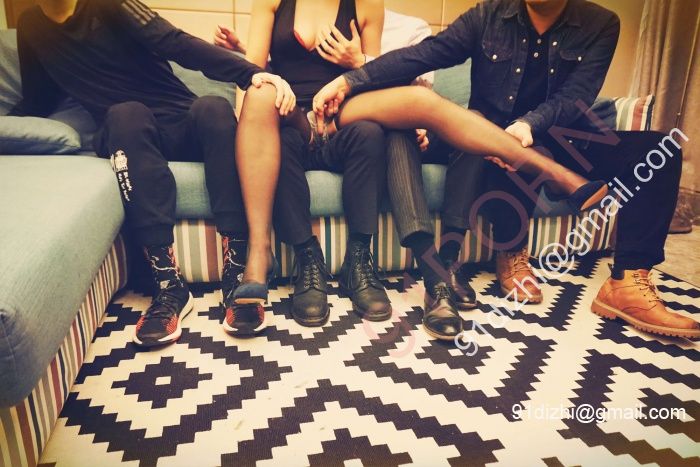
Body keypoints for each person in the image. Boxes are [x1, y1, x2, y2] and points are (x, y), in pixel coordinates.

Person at [312, 0, 700, 339]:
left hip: (565, 135)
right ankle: (508, 254)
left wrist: (530, 124)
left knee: (660, 149)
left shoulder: (601, 23)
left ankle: (629, 281)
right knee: (495, 140)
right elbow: (424, 54)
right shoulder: (489, 15)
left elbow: (577, 96)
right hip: (494, 138)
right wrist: (351, 79)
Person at [10, 0, 295, 347]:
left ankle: (236, 273)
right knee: (125, 114)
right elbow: (38, 98)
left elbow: (173, 41)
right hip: (129, 133)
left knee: (214, 107)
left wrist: (248, 73)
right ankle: (168, 286)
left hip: (180, 119)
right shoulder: (31, 26)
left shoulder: (109, 4)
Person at [223, 0, 392, 333]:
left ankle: (359, 260)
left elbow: (375, 81)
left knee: (371, 133)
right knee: (280, 141)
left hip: (341, 119)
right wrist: (247, 127)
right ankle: (308, 259)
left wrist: (356, 62)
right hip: (291, 118)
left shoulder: (368, 5)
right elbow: (252, 75)